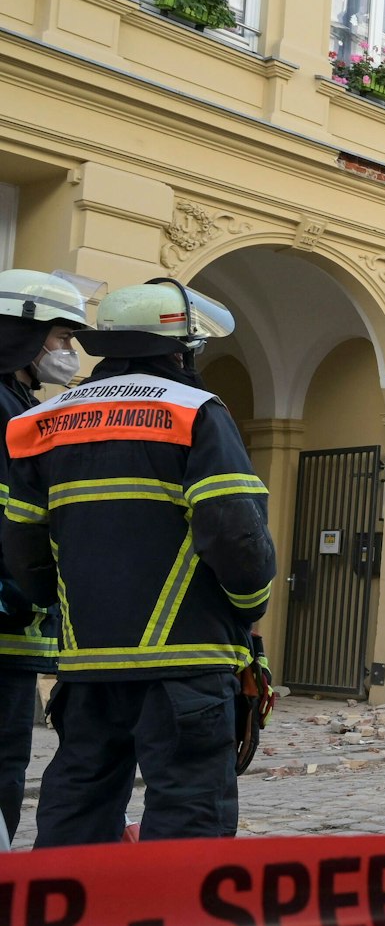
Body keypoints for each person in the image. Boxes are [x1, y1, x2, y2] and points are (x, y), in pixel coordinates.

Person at [3, 280, 274, 845]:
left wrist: (69, 606)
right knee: (188, 812)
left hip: (87, 668)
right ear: (180, 350)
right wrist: (250, 605)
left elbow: (24, 550)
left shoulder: (39, 423)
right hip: (187, 661)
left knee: (78, 803)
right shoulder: (195, 411)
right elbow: (236, 535)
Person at [0, 270, 89, 845]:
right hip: (4, 625)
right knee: (5, 762)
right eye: (59, 338)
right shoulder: (7, 411)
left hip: (12, 625)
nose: (68, 353)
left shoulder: (17, 402)